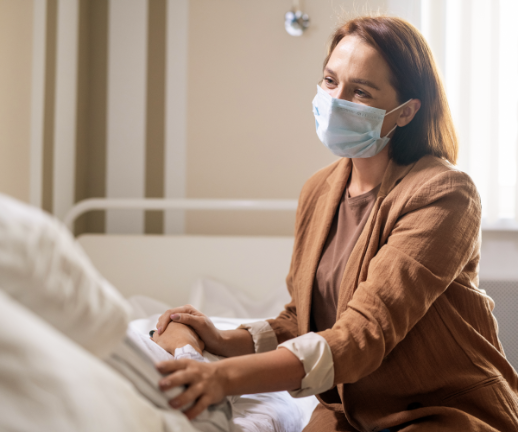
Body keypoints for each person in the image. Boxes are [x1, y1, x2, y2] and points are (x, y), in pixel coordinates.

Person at [153, 15, 518, 431]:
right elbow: (302, 320)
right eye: (330, 81)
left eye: (361, 91)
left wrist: (222, 377)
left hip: (442, 409)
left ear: (406, 112)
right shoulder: (319, 190)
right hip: (352, 411)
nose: (337, 99)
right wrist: (222, 340)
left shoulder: (443, 193)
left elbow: (365, 331)